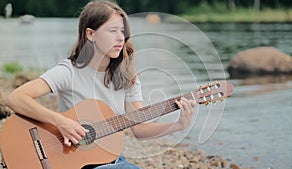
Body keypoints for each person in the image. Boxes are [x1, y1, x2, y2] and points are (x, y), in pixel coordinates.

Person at [5, 0, 196, 168]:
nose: (121, 37)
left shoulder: (128, 77)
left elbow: (140, 129)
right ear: (91, 34)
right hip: (70, 160)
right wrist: (60, 122)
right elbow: (15, 98)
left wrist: (178, 125)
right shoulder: (69, 71)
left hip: (112, 160)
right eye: (113, 30)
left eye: (122, 31)